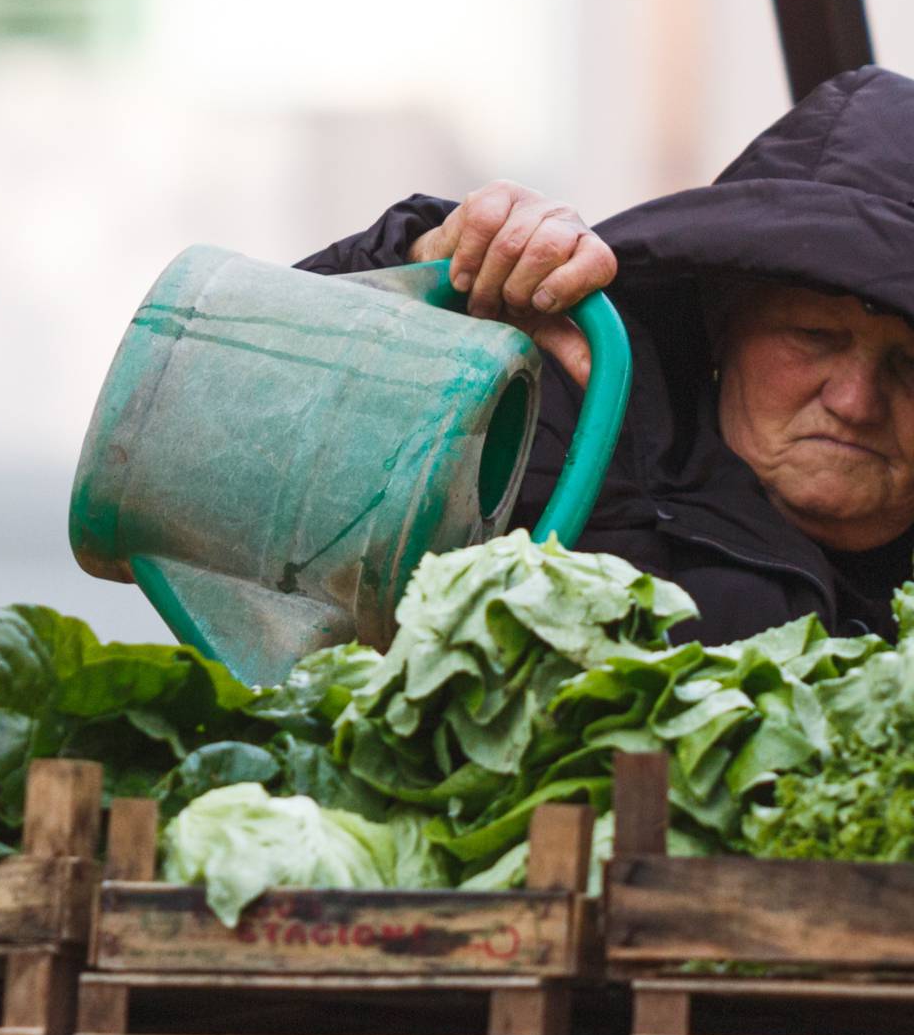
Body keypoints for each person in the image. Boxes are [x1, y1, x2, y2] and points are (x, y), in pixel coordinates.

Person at [303, 65, 914, 643]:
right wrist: (421, 274)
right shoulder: (552, 407)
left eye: (909, 365)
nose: (855, 402)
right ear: (726, 320)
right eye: (814, 336)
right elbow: (254, 432)